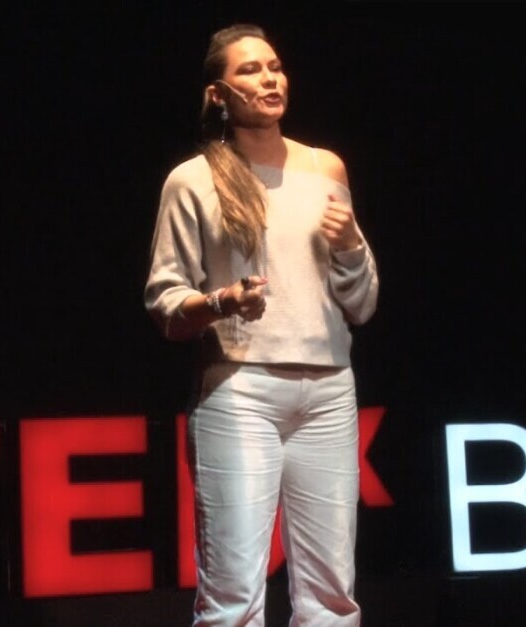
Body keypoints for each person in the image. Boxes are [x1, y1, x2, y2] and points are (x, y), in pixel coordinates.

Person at [143, 23, 379, 627]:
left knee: (333, 598)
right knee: (232, 600)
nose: (269, 78)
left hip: (329, 391)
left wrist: (351, 247)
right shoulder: (193, 179)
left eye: (274, 66)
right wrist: (222, 301)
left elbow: (362, 303)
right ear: (218, 93)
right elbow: (166, 304)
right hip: (239, 390)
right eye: (249, 69)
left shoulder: (325, 167)